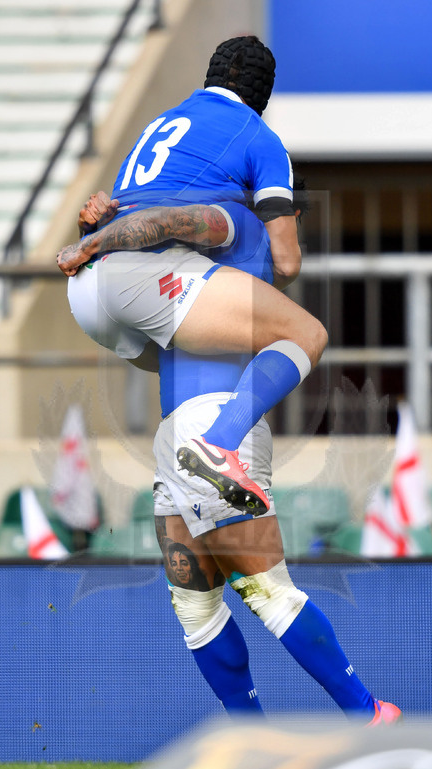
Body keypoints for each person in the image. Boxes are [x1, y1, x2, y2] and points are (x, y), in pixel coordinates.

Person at [61, 193, 402, 725]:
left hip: (213, 422)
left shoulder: (233, 224)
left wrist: (95, 238)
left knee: (269, 592)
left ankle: (367, 715)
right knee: (196, 609)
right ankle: (252, 742)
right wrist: (100, 224)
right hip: (179, 432)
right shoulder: (192, 274)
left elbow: (166, 223)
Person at [56, 35, 328, 518]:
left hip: (90, 293)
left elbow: (122, 207)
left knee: (194, 371)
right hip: (141, 276)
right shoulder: (257, 141)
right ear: (263, 96)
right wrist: (92, 242)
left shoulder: (160, 124)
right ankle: (219, 445)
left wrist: (91, 236)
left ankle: (175, 492)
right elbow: (286, 262)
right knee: (306, 334)